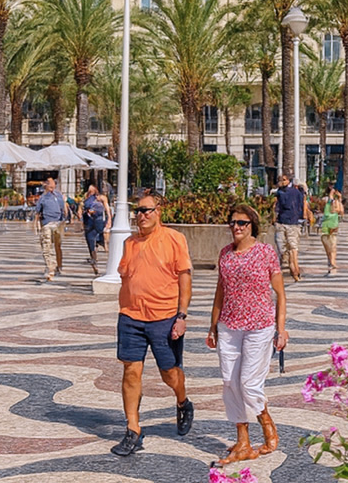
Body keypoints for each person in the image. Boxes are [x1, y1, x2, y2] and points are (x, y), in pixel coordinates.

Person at [112, 190, 193, 457]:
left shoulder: (174, 239)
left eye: (146, 210)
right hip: (131, 317)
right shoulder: (129, 243)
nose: (141, 215)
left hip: (165, 317)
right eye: (138, 211)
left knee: (169, 374)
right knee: (131, 372)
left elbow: (184, 278)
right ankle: (133, 429)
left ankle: (182, 401)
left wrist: (181, 316)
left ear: (159, 211)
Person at [207, 202, 287, 466]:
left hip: (259, 326)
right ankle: (243, 441)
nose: (236, 227)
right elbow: (221, 291)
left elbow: (280, 293)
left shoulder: (265, 252)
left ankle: (267, 426)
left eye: (242, 223)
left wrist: (281, 328)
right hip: (229, 326)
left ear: (253, 226)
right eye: (232, 222)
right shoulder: (225, 254)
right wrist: (213, 325)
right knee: (230, 382)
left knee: (249, 384)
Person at [32, 175, 68, 282]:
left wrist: (65, 220)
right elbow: (37, 213)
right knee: (47, 246)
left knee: (57, 245)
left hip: (58, 223)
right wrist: (36, 225)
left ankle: (58, 265)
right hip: (47, 223)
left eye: (54, 183)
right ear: (46, 185)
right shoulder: (43, 198)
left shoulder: (58, 195)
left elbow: (64, 209)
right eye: (50, 183)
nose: (52, 185)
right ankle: (50, 267)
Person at [271, 174, 305, 282]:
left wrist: (301, 216)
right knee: (282, 247)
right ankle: (291, 268)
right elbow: (276, 207)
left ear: (288, 180)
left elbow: (302, 204)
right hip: (281, 222)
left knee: (293, 247)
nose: (282, 182)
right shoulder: (279, 192)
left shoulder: (295, 192)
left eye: (284, 180)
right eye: (280, 180)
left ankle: (295, 269)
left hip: (293, 223)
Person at [83, 182, 111, 272]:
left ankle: (110, 260)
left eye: (91, 190)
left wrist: (109, 219)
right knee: (91, 244)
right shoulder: (86, 198)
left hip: (99, 221)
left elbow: (107, 209)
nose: (90, 192)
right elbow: (83, 209)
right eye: (89, 190)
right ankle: (94, 262)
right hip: (89, 222)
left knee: (104, 242)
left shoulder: (101, 198)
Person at [319, 189, 343, 274]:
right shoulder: (327, 212)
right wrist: (331, 193)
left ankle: (332, 262)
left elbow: (339, 203)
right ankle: (330, 261)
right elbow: (330, 200)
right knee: (328, 249)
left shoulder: (336, 214)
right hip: (325, 233)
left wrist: (339, 197)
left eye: (337, 207)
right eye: (334, 206)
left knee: (333, 248)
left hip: (333, 233)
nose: (336, 208)